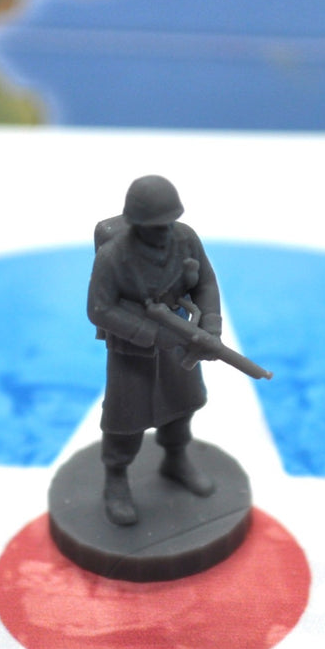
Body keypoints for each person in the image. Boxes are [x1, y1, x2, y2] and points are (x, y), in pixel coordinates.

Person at [87, 175, 222, 526]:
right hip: (132, 349)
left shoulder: (186, 239)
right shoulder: (113, 256)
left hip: (180, 337)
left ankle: (175, 458)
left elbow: (206, 282)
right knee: (126, 418)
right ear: (136, 223)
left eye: (167, 222)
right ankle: (116, 478)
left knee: (183, 402)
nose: (163, 231)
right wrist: (150, 334)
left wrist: (210, 327)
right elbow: (99, 309)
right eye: (154, 226)